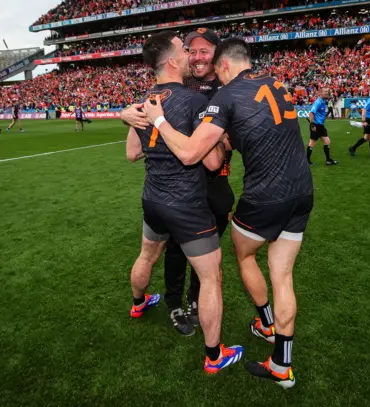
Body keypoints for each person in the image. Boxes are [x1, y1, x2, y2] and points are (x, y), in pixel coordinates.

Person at [143, 38, 313, 389]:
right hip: (302, 192)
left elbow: (191, 154)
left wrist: (158, 119)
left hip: (266, 196)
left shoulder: (226, 94)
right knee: (283, 276)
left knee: (243, 252)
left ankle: (265, 320)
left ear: (222, 66)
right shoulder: (275, 82)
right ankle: (282, 362)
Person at [125, 31, 243, 374]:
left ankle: (138, 304)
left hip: (152, 198)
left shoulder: (145, 101)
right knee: (211, 278)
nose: (190, 52)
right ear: (173, 60)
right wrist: (221, 141)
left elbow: (132, 153)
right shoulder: (193, 102)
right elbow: (208, 162)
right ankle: (214, 355)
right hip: (187, 203)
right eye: (183, 48)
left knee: (148, 254)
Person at [307, 88, 338, 166]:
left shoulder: (323, 102)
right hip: (316, 126)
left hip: (321, 126)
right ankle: (306, 161)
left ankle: (328, 160)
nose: (327, 93)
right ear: (320, 93)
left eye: (327, 91)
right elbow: (311, 113)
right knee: (312, 143)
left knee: (327, 141)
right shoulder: (318, 102)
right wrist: (312, 125)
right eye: (325, 92)